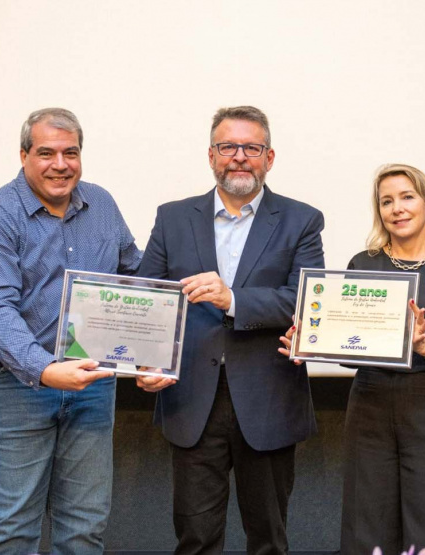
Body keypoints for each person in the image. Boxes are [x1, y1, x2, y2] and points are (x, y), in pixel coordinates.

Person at [135, 106, 325, 554]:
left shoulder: (302, 219)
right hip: (190, 401)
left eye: (251, 147)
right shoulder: (173, 217)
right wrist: (142, 360)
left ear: (269, 157)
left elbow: (304, 299)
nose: (239, 156)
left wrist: (232, 299)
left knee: (268, 539)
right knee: (196, 539)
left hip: (268, 401)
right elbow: (149, 300)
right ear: (211, 155)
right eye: (228, 147)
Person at [0, 107, 141, 555]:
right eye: (46, 153)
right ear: (23, 155)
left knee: (84, 527)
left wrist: (156, 352)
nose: (60, 164)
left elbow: (134, 278)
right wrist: (46, 370)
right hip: (14, 387)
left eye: (70, 153)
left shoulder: (101, 204)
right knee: (11, 529)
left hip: (92, 387)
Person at [280, 163, 425, 555]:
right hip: (369, 400)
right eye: (386, 201)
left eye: (407, 197)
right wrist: (308, 340)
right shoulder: (363, 264)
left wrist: (424, 346)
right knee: (367, 521)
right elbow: (348, 342)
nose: (397, 208)